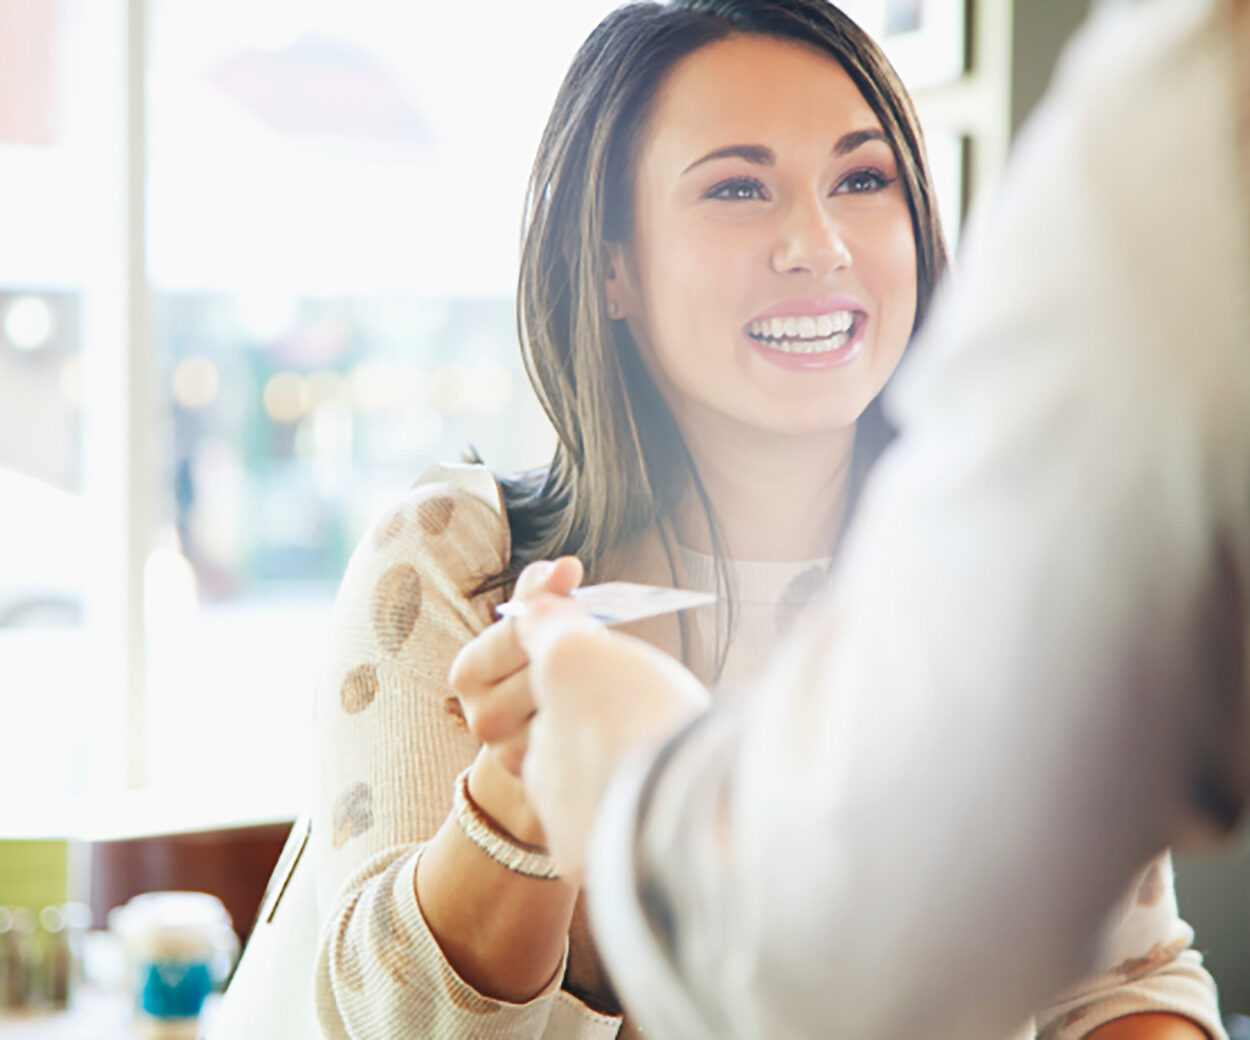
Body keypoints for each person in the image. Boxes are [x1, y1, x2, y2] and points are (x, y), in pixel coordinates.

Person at [309, 1, 1227, 1038]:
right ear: (610, 266)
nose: (817, 244)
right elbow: (385, 1019)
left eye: (862, 178)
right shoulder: (453, 561)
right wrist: (520, 790)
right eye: (737, 188)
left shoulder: (1003, 567)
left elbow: (1122, 983)